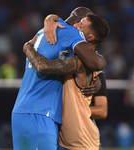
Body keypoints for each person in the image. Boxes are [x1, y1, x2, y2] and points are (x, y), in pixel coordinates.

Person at [12, 7, 107, 150]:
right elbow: (97, 62)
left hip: (29, 113)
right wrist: (27, 47)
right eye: (79, 23)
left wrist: (28, 46)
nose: (76, 28)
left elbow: (94, 63)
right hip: (41, 115)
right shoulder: (70, 35)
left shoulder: (45, 32)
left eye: (81, 26)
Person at [90, 70, 108, 150]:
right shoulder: (60, 73)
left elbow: (102, 111)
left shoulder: (96, 74)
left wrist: (75, 110)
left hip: (88, 137)